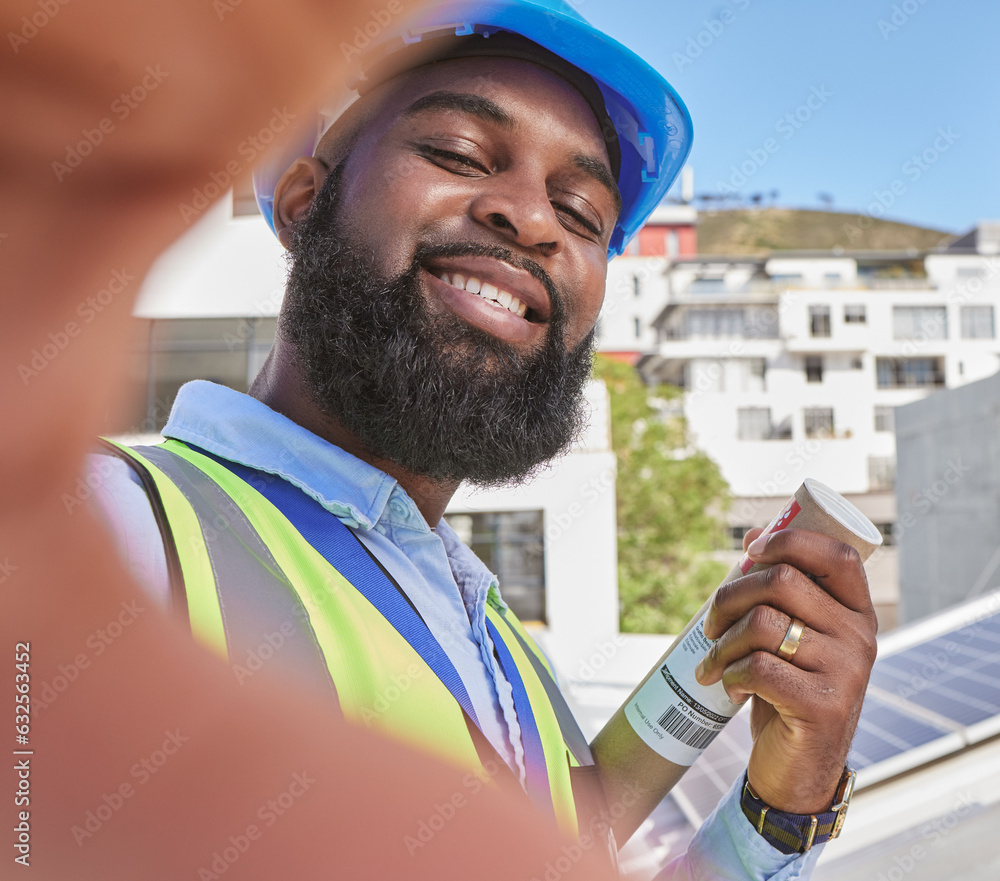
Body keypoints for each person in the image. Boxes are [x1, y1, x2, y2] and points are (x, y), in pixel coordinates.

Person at [85, 1, 878, 878]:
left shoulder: (510, 666)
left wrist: (782, 809)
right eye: (459, 154)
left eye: (579, 212)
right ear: (307, 205)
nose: (532, 221)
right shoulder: (110, 535)